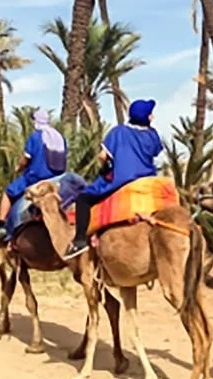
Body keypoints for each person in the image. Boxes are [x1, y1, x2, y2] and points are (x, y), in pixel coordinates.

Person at [63, 99, 163, 260]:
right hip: (147, 180)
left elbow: (102, 156)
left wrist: (106, 166)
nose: (153, 117)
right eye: (150, 114)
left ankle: (80, 240)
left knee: (83, 199)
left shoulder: (118, 132)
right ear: (146, 118)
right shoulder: (153, 135)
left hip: (121, 181)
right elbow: (155, 152)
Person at [0, 110, 67, 239]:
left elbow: (26, 159)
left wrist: (18, 167)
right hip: (58, 178)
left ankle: (1, 225)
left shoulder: (35, 137)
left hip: (35, 178)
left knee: (8, 192)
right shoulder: (59, 138)